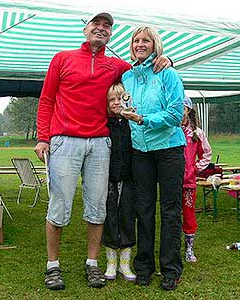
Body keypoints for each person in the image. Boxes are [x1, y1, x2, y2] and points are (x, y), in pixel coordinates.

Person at [33, 13, 171, 290]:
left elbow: (141, 71)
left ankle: (93, 264)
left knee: (97, 207)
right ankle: (53, 266)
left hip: (99, 142)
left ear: (110, 34)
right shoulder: (62, 58)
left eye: (107, 26)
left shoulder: (115, 65)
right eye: (96, 24)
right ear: (85, 29)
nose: (101, 28)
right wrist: (43, 138)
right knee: (59, 205)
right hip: (64, 140)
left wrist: (167, 61)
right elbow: (47, 99)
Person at [120, 26, 186, 291]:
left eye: (146, 40)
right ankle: (144, 266)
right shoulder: (127, 76)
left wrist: (144, 119)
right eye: (136, 40)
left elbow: (175, 114)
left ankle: (170, 268)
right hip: (140, 152)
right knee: (143, 209)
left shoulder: (167, 73)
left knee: (170, 210)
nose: (140, 44)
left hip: (169, 149)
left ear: (155, 45)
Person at [103, 83, 136, 282]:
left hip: (129, 178)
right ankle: (111, 262)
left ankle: (125, 262)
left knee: (127, 217)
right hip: (107, 178)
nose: (116, 103)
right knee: (109, 217)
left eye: (119, 98)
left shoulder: (132, 122)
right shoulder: (104, 123)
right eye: (111, 100)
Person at [181, 96, 212, 263]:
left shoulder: (197, 133)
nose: (179, 112)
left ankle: (189, 248)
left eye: (182, 108)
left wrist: (194, 168)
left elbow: (206, 153)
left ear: (188, 110)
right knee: (170, 214)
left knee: (188, 214)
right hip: (170, 180)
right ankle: (170, 248)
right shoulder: (169, 129)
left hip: (188, 182)